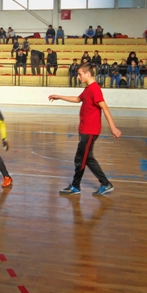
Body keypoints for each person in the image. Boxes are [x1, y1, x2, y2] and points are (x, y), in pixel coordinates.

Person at [49, 63, 122, 196]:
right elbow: (78, 99)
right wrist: (59, 96)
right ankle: (105, 184)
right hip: (85, 129)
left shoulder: (95, 89)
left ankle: (76, 186)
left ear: (88, 74)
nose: (78, 77)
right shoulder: (88, 89)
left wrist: (113, 127)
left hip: (90, 130)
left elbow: (104, 108)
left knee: (80, 158)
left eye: (80, 74)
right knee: (87, 158)